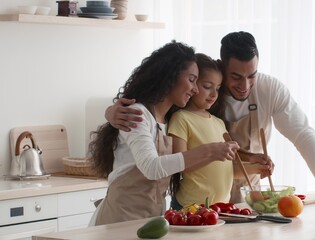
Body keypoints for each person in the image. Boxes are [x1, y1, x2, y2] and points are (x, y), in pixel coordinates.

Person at [105, 32, 315, 210]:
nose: (244, 86)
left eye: (251, 76)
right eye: (235, 77)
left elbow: (303, 134)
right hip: (197, 202)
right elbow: (157, 107)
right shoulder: (199, 90)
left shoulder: (269, 89)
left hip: (248, 199)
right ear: (221, 67)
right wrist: (111, 113)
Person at [88, 41, 239, 226]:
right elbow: (151, 167)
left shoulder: (169, 119)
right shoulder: (137, 114)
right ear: (171, 76)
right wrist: (210, 151)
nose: (195, 89)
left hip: (151, 220)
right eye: (191, 80)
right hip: (119, 221)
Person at [168, 53, 272, 210]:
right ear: (193, 85)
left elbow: (226, 169)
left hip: (220, 208)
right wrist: (212, 153)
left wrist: (257, 167)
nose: (214, 94)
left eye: (217, 88)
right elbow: (181, 164)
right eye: (207, 87)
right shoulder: (181, 119)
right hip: (189, 207)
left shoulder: (218, 123)